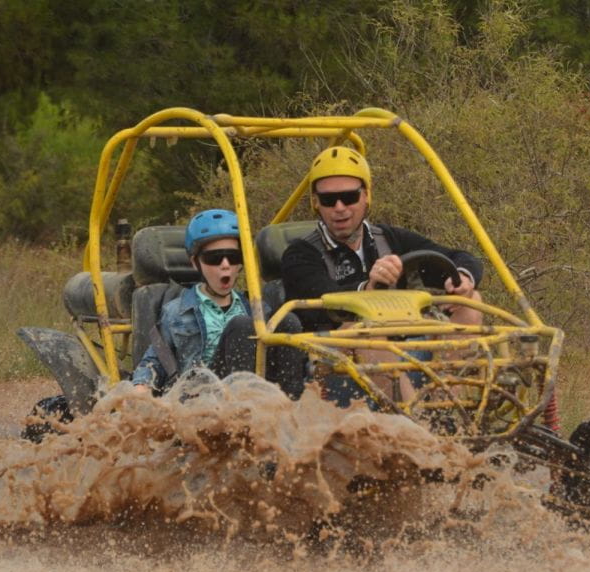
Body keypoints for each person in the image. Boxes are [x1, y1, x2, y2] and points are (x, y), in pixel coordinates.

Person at [280, 147, 484, 402]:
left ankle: (449, 408)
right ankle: (415, 423)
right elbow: (319, 299)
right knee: (364, 328)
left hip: (402, 342)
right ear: (316, 203)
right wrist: (368, 288)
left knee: (469, 300)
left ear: (366, 196)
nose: (340, 208)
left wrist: (460, 279)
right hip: (333, 359)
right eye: (329, 200)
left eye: (349, 197)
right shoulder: (301, 253)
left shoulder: (389, 239)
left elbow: (459, 258)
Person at [132, 208, 305, 398]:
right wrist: (141, 389)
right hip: (200, 396)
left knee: (287, 320)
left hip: (259, 392)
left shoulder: (255, 307)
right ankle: (238, 411)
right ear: (195, 262)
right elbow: (155, 359)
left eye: (233, 257)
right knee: (242, 325)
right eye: (214, 258)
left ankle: (291, 409)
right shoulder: (176, 312)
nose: (225, 265)